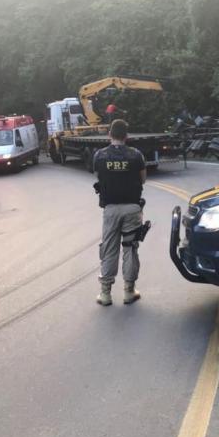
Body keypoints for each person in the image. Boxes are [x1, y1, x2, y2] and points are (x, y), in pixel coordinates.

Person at [93, 119, 146, 306]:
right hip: (132, 208)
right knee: (130, 249)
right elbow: (143, 180)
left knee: (109, 249)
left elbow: (99, 178)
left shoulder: (99, 155)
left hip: (110, 210)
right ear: (127, 136)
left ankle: (105, 294)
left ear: (109, 135)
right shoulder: (136, 155)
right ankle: (129, 292)